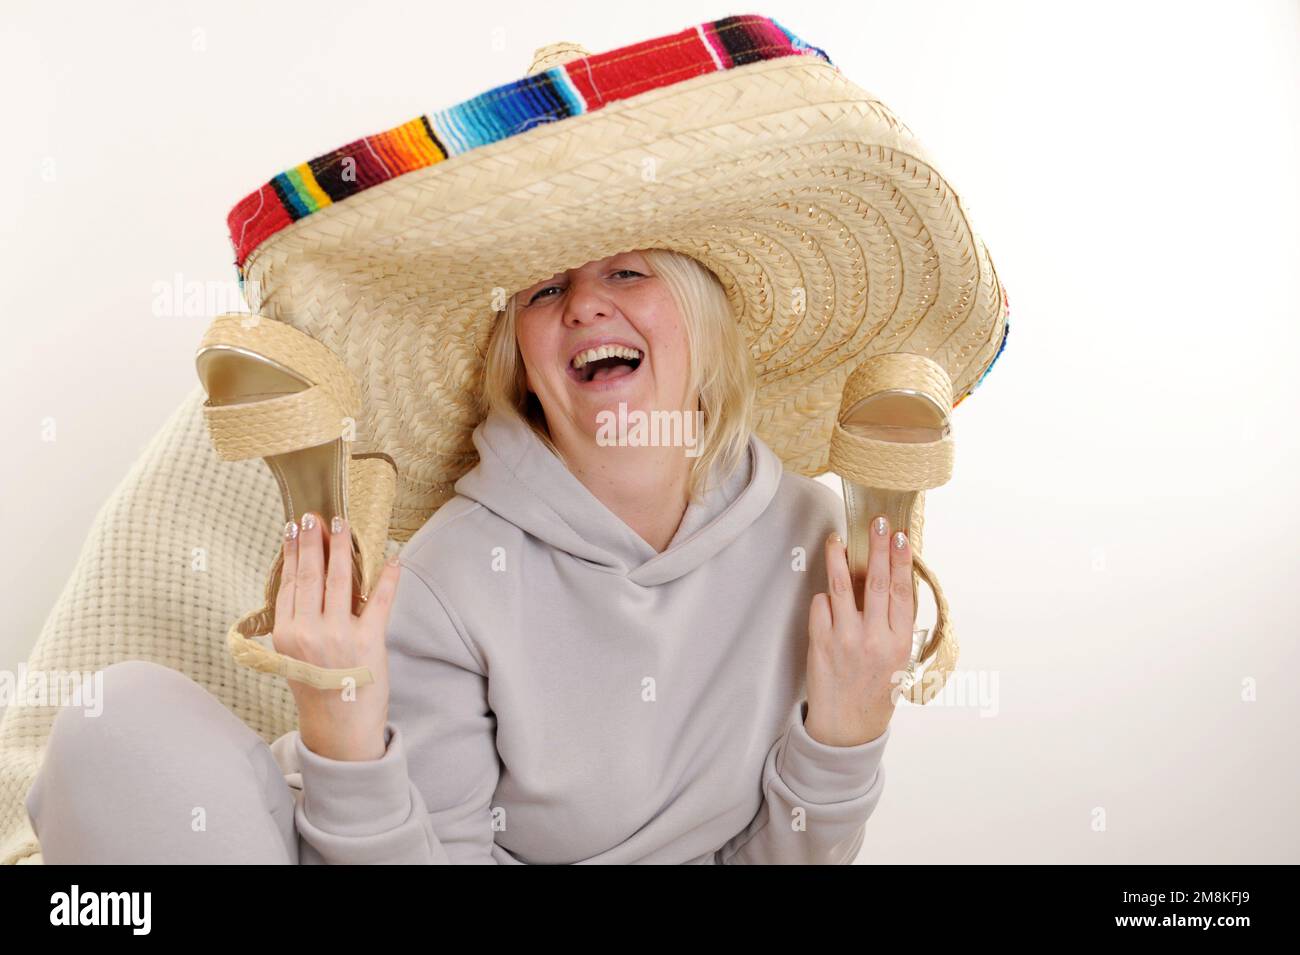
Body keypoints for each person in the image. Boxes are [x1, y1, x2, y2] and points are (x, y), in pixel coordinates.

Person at [24, 247, 915, 864]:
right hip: (353, 841)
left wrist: (848, 730)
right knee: (118, 722)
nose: (585, 304)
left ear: (702, 321)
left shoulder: (810, 539)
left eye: (628, 271)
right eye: (543, 291)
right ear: (524, 363)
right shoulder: (454, 573)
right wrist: (344, 730)